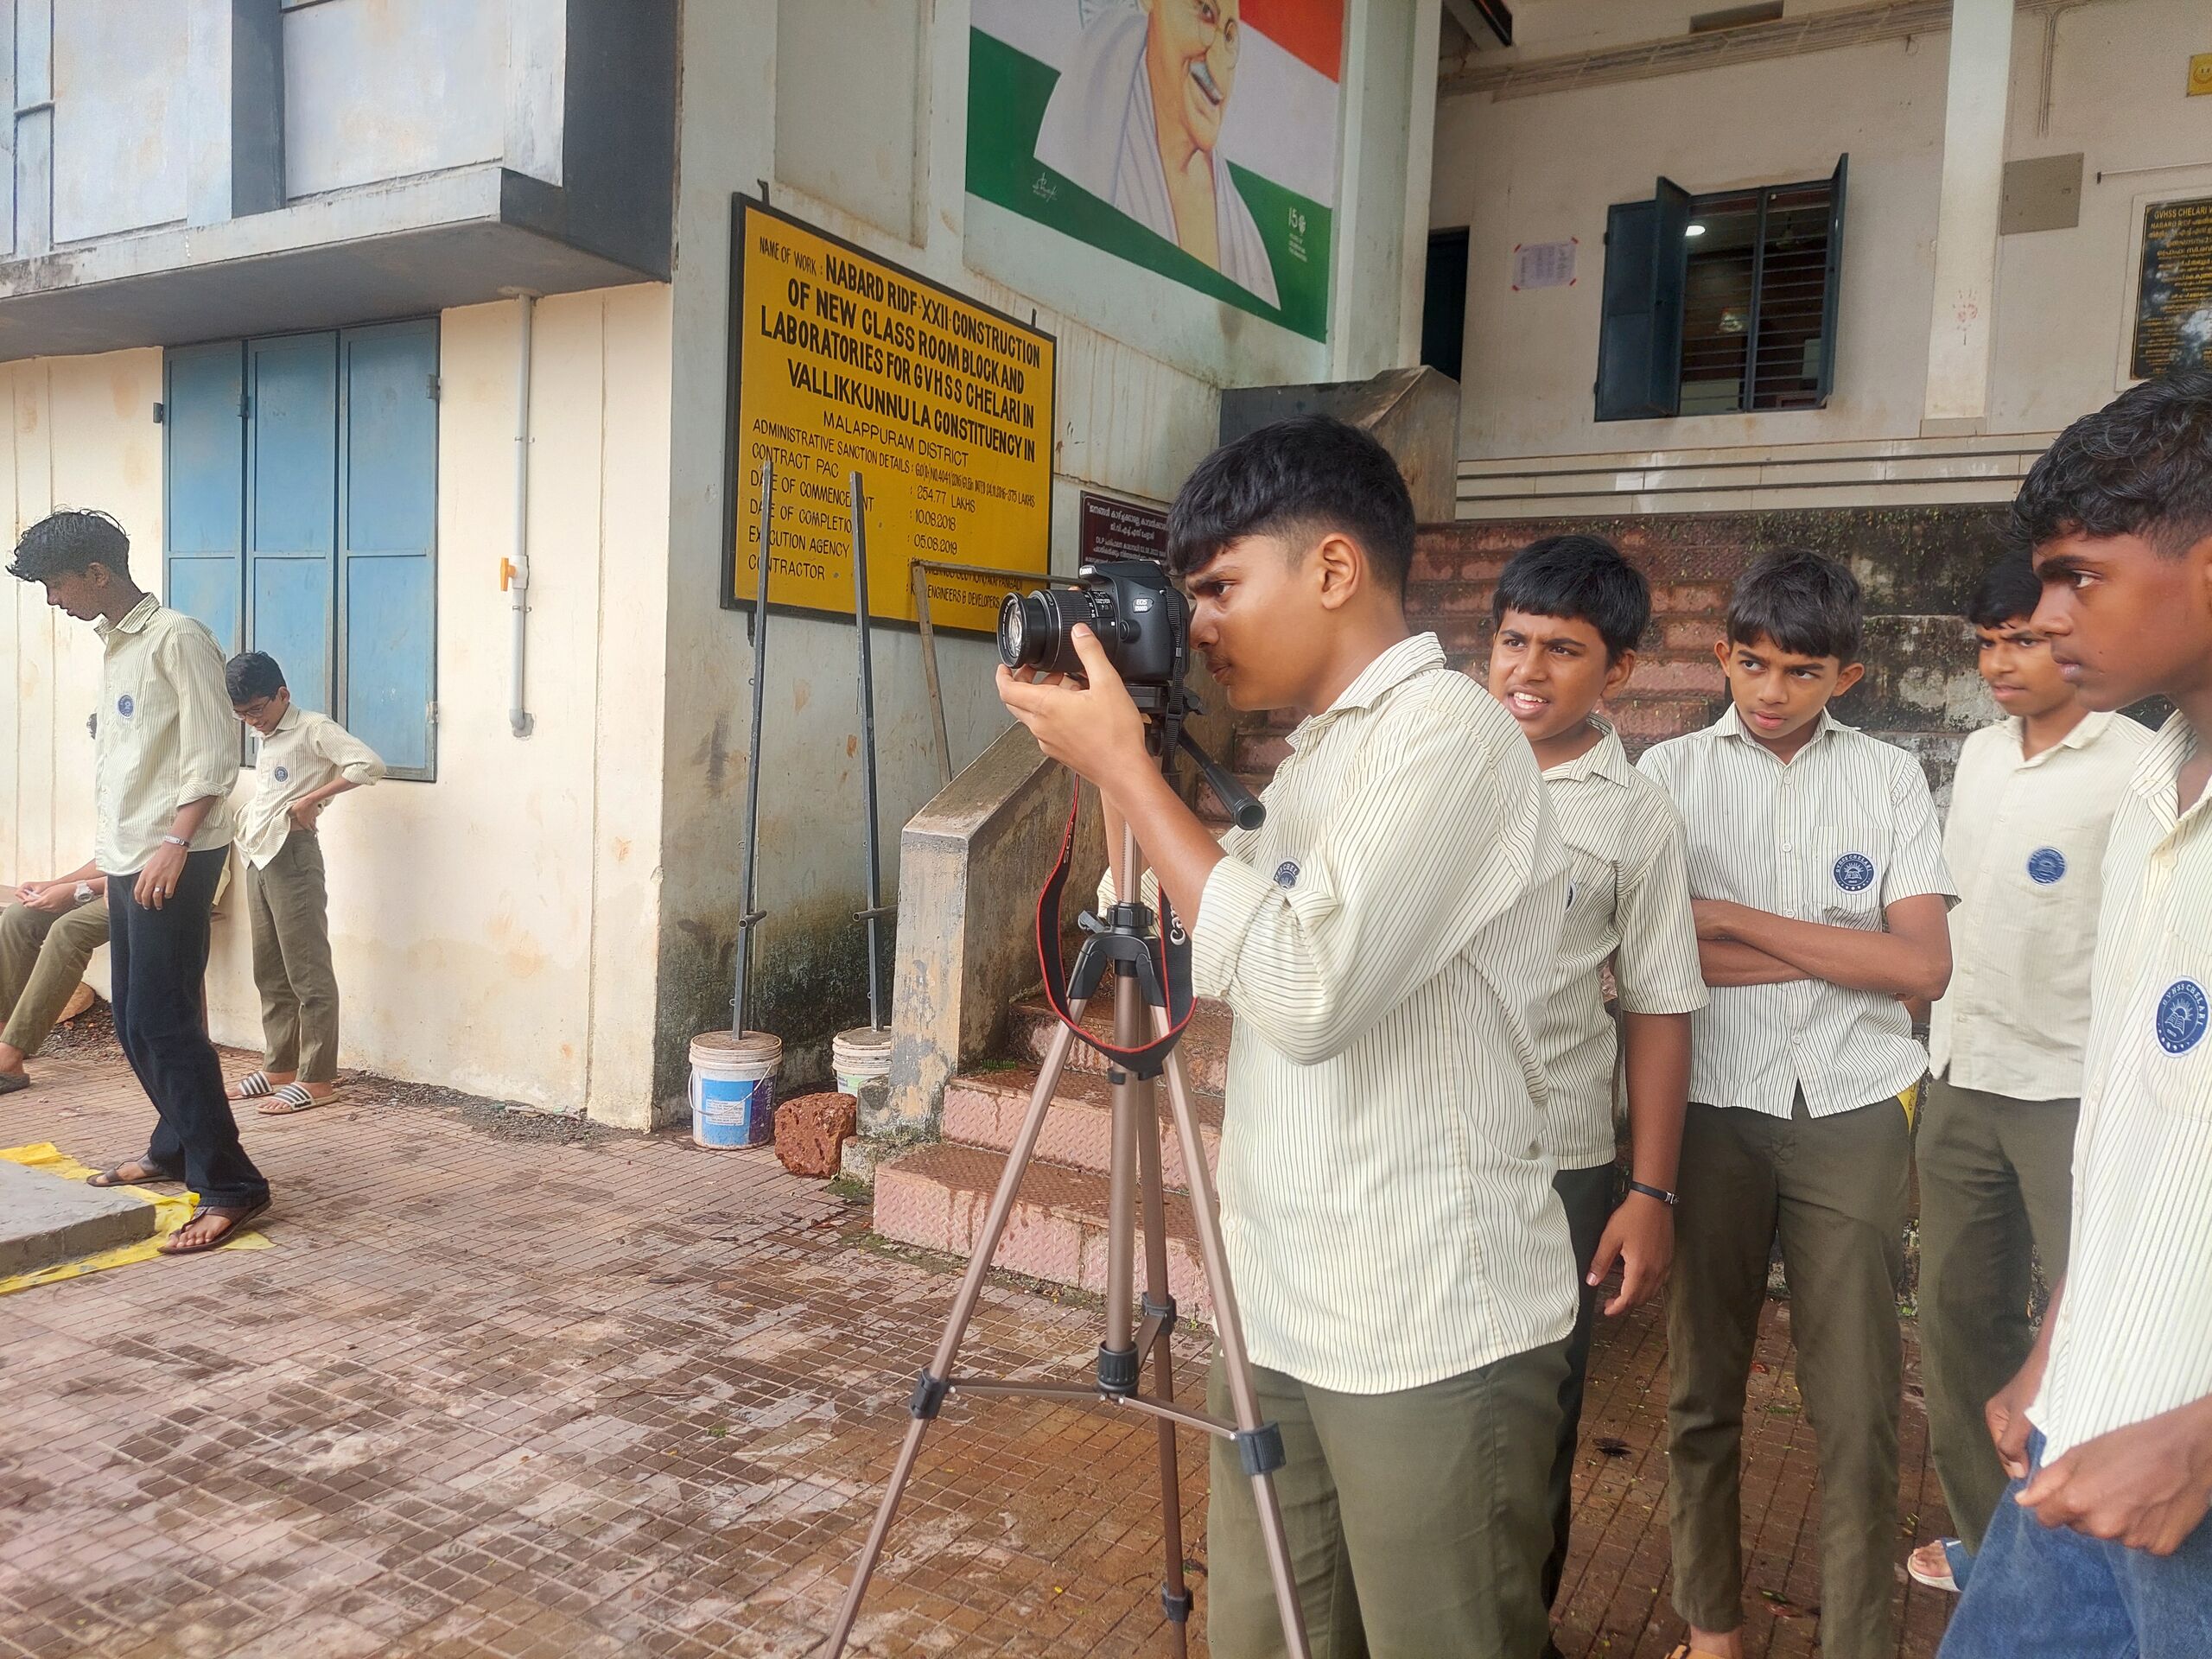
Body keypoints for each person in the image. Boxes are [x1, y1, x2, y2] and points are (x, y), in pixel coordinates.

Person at [999, 415, 1577, 1656]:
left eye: (1217, 588)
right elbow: (1162, 936)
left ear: (1332, 569)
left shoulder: (1450, 736)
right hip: (1282, 1302)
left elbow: (1306, 990)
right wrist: (1118, 765)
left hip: (1427, 1321)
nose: (1196, 626)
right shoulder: (1314, 763)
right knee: (1266, 1636)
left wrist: (1135, 776)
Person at [1637, 548, 1955, 1659]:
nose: (1772, 692)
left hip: (1853, 1106)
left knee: (1859, 1404)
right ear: (1722, 655)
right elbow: (1649, 959)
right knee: (1701, 1386)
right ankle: (1710, 1629)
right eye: (1753, 663)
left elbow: (1922, 969)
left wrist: (1728, 918)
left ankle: (1857, 1641)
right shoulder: (1666, 776)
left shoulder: (1888, 778)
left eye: (1802, 672)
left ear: (1847, 676)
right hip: (1708, 1100)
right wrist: (1839, 954)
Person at [1940, 372, 2212, 1658]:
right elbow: (2139, 1134)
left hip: (2183, 1473)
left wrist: (2198, 1442)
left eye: (2080, 578)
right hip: (2088, 1431)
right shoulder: (2155, 789)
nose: (2046, 619)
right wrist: (2059, 1342)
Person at [1907, 558, 2152, 1596]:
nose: (2000, 663)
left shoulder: (2137, 765)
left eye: (2024, 641)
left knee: (2098, 1337)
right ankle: (1992, 1552)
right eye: (1987, 642)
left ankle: (2104, 1576)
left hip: (2075, 1092)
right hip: (1963, 1075)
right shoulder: (1976, 755)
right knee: (1959, 1323)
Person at [1485, 533, 1707, 1650]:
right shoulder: (1434, 763)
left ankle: (1518, 1631)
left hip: (1555, 1164)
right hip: (1411, 1146)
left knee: (1532, 1419)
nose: (1527, 670)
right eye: (1512, 641)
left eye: (1562, 649)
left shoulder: (1637, 816)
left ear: (1617, 670)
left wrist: (1648, 1193)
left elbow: (1659, 1007)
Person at [5, 509, 270, 1255]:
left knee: (162, 1021)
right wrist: (99, 871)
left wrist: (175, 844)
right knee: (133, 1018)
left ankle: (231, 1184)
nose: (54, 599)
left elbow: (213, 756)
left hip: (173, 856)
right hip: (129, 857)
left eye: (57, 584)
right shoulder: (118, 647)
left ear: (97, 574)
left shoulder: (176, 637)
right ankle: (175, 1147)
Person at [1033, 0, 1281, 305]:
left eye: (1230, 37)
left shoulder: (1244, 238)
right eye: (1205, 11)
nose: (1218, 69)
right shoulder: (1087, 118)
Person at [222, 651, 383, 1115]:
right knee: (270, 969)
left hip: (293, 855)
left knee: (308, 970)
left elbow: (368, 765)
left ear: (283, 694)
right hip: (258, 853)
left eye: (257, 709)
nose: (252, 721)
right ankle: (279, 1067)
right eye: (242, 715)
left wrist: (313, 800)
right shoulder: (266, 734)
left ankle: (317, 1078)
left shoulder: (314, 728)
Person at [0, 861, 109, 1092]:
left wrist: (78, 889)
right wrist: (56, 884)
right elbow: (109, 856)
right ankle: (5, 1031)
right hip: (114, 884)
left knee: (69, 930)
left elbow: (154, 865)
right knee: (19, 917)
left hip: (156, 887)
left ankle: (10, 1057)